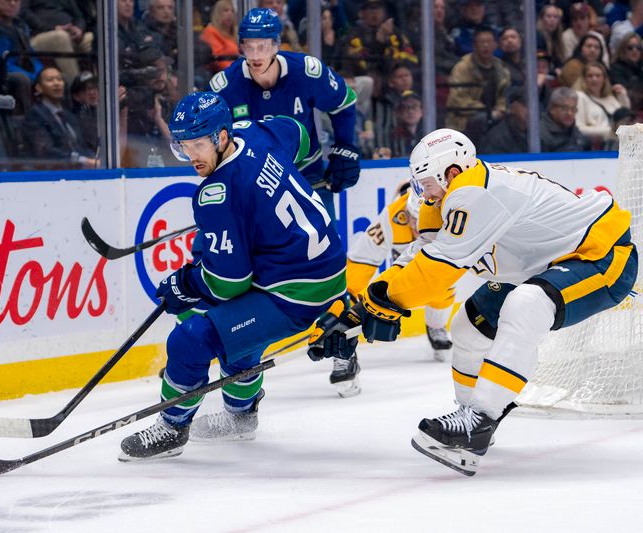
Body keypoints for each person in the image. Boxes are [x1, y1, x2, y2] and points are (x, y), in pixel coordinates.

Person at [325, 128, 637, 476]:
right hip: (545, 263)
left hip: (602, 256)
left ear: (451, 172)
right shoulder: (445, 200)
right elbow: (416, 259)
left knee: (526, 303)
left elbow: (435, 273)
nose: (422, 193)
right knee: (467, 326)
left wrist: (385, 304)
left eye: (425, 182)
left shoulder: (474, 192)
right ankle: (472, 415)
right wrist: (359, 309)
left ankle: (479, 421)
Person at [118, 92, 346, 461]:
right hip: (322, 268)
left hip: (295, 292)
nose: (192, 156)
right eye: (183, 146)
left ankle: (172, 428)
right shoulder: (254, 133)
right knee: (233, 332)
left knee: (190, 339)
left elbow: (229, 283)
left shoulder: (219, 193)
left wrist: (186, 284)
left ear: (222, 137)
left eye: (198, 145)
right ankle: (242, 418)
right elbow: (299, 134)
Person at [209, 7, 360, 217]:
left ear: (276, 44)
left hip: (307, 178)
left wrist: (345, 147)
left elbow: (344, 101)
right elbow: (212, 138)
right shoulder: (225, 87)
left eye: (262, 46)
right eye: (249, 47)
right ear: (241, 46)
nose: (255, 55)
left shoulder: (306, 72)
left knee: (326, 248)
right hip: (254, 186)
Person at [317, 180, 454, 397]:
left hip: (435, 269)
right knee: (349, 296)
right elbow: (360, 262)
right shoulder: (391, 219)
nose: (418, 228)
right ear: (406, 214)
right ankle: (343, 352)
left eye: (423, 221)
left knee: (444, 287)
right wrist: (347, 305)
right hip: (401, 273)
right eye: (414, 220)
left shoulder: (451, 215)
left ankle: (436, 325)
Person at [21, 66, 98, 168]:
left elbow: (81, 146)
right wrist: (82, 160)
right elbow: (45, 151)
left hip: (79, 171)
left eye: (59, 79)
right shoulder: (34, 115)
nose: (56, 83)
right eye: (50, 80)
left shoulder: (69, 116)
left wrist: (96, 159)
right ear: (38, 88)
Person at [539, 86, 590, 152]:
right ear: (552, 109)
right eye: (564, 108)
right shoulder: (540, 134)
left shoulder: (574, 131)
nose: (570, 113)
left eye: (573, 109)